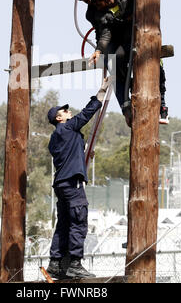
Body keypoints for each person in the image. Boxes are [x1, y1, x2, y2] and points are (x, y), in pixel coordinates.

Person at [76, 0, 169, 126]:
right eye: (87, 1)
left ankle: (161, 104)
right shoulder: (93, 13)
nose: (91, 3)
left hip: (130, 34)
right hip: (111, 39)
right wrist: (99, 50)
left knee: (152, 63)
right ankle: (126, 106)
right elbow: (104, 31)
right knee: (114, 66)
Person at [46, 77, 111, 280]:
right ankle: (74, 263)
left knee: (64, 222)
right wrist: (100, 93)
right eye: (64, 111)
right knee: (78, 221)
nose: (68, 111)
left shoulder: (55, 138)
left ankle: (55, 263)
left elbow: (69, 154)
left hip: (61, 184)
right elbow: (86, 115)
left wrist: (82, 156)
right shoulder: (68, 128)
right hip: (72, 183)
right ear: (59, 118)